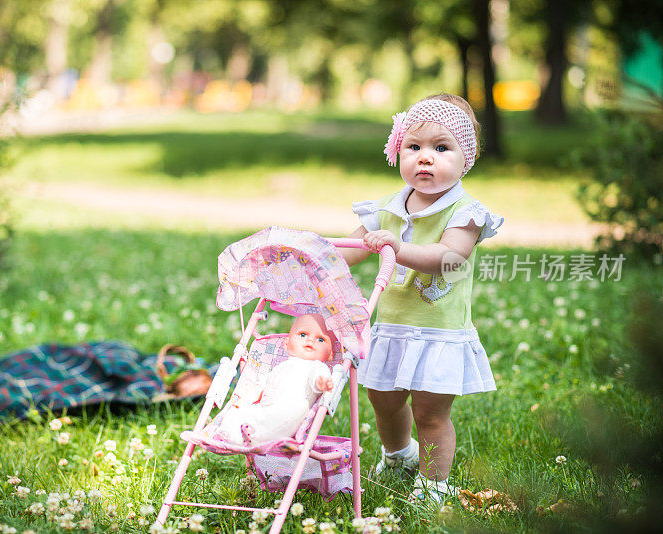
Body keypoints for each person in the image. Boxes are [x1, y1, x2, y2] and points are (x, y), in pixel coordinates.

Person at [339, 93, 503, 503]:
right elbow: (353, 250)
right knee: (384, 400)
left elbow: (446, 258)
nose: (425, 158)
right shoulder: (387, 209)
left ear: (466, 158)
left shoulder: (464, 213)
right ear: (398, 151)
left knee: (431, 413)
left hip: (437, 331)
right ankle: (398, 455)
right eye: (414, 147)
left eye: (441, 148)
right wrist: (314, 255)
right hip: (391, 326)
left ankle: (432, 485)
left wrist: (395, 246)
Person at [211, 313, 335, 446]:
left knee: (284, 415)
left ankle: (254, 437)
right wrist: (245, 400)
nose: (310, 341)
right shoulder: (278, 367)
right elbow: (261, 385)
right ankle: (227, 434)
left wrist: (321, 383)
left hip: (290, 410)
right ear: (286, 344)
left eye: (321, 340)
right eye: (303, 335)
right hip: (265, 408)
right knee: (237, 411)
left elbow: (317, 377)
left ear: (330, 354)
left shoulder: (316, 366)